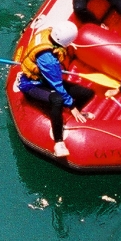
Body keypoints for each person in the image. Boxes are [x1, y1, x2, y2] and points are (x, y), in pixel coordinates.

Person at [15, 16, 97, 157]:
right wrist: (71, 106)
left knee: (87, 93)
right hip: (31, 83)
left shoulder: (48, 33)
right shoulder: (49, 60)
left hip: (44, 79)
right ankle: (58, 142)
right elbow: (57, 85)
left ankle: (74, 115)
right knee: (57, 99)